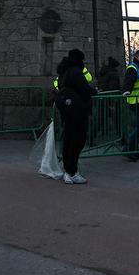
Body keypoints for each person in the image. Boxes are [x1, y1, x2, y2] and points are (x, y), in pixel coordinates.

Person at [55, 49, 96, 184]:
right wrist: (95, 91)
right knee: (77, 141)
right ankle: (72, 171)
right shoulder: (75, 72)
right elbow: (84, 89)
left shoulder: (63, 73)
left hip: (67, 110)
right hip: (78, 111)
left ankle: (68, 171)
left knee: (68, 140)